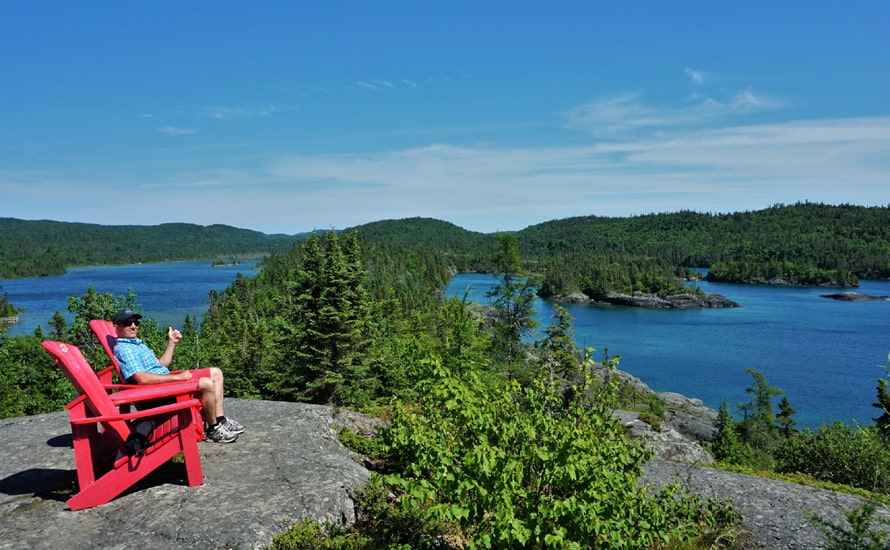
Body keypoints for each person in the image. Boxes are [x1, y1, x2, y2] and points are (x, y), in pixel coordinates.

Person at [111, 309, 244, 444]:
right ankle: (213, 429)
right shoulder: (124, 349)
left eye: (136, 322)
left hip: (164, 386)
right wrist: (177, 378)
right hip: (156, 394)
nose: (133, 326)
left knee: (216, 373)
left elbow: (162, 364)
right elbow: (142, 378)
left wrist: (171, 343)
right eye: (128, 323)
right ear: (116, 327)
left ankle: (220, 419)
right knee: (206, 384)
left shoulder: (136, 343)